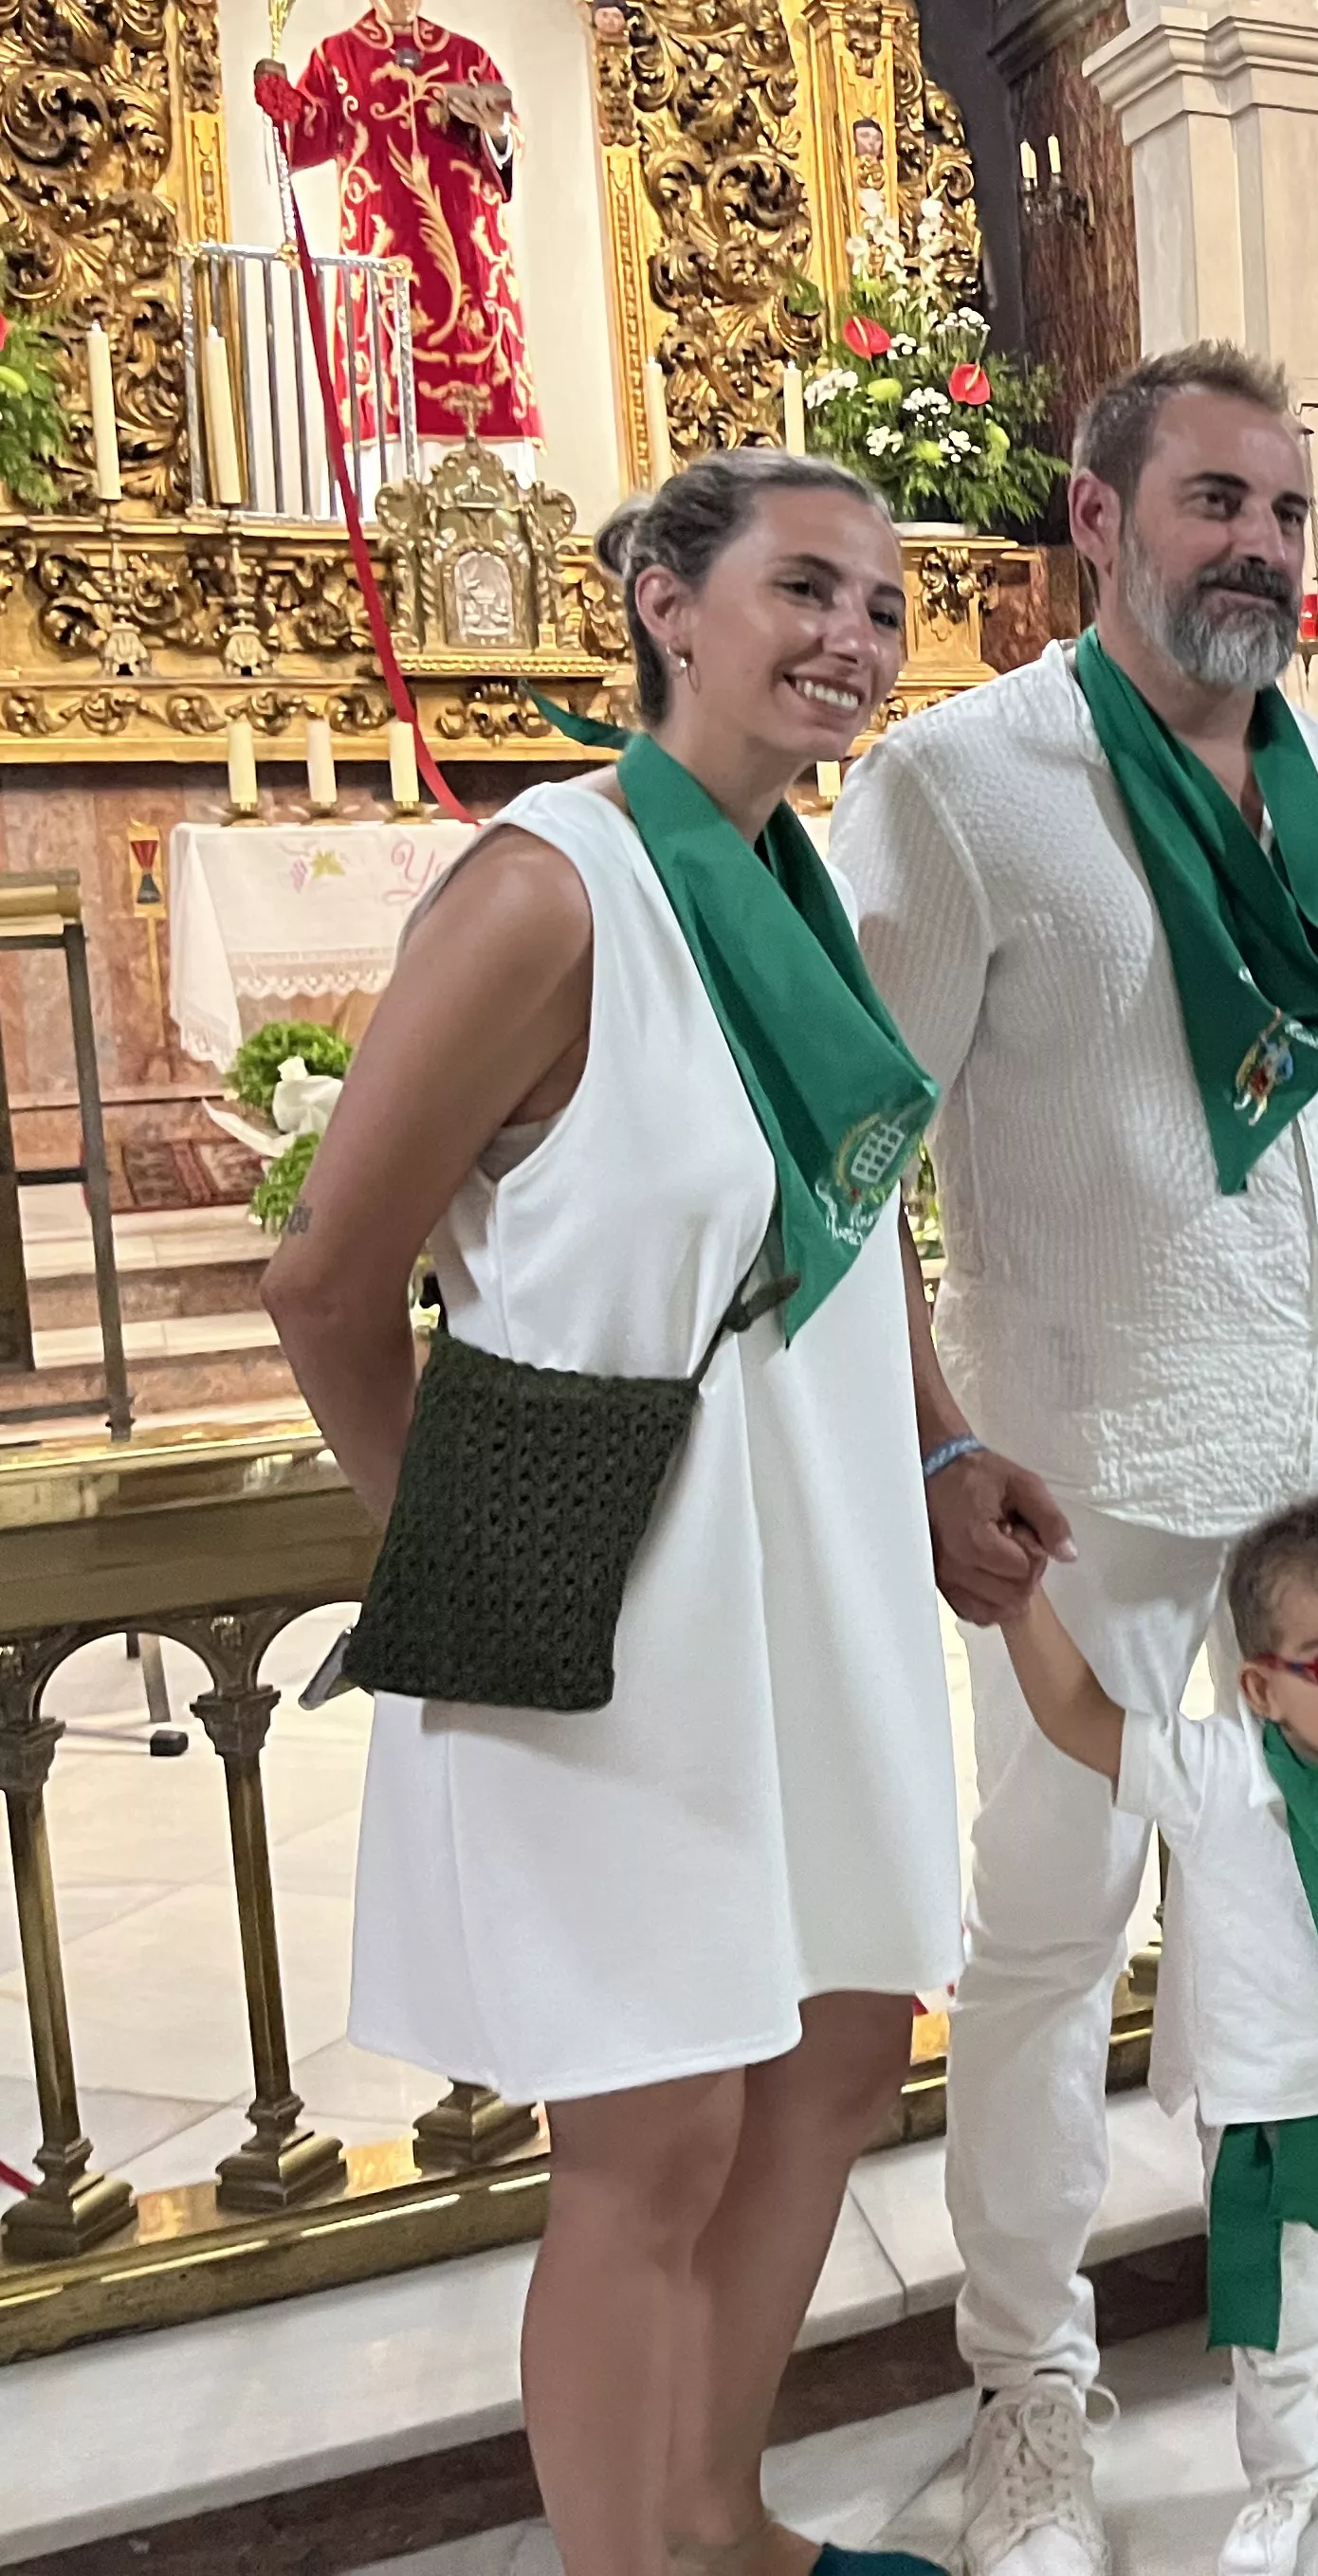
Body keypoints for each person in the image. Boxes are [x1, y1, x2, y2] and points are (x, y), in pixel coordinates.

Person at [833, 343, 1318, 2576]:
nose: (1259, 545)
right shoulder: (962, 786)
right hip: (1092, 1484)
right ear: (1098, 518)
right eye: (1215, 502)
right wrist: (938, 1442)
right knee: (1054, 1949)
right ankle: (1030, 2399)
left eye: (1287, 511)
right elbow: (854, 1157)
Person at [264, 451, 957, 2576]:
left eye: (882, 605)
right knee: (653, 2130)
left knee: (836, 2051)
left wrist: (939, 1448)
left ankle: (719, 2519)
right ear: (665, 601)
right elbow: (326, 1278)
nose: (853, 638)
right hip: (617, 1590)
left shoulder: (789, 882)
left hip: (811, 1560)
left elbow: (843, 1229)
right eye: (804, 588)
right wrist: (469, 1556)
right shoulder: (550, 890)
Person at [965, 1501, 1318, 2576]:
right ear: (1260, 1686)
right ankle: (1283, 2484)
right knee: (1283, 2327)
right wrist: (1021, 1602)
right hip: (1275, 2118)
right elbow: (1079, 1715)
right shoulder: (1220, 1772)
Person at [255, 0, 538, 445]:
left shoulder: (467, 56)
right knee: (390, 379)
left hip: (471, 256)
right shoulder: (338, 57)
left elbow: (509, 143)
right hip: (385, 253)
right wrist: (282, 104)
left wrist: (493, 127)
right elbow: (304, 135)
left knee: (481, 365)